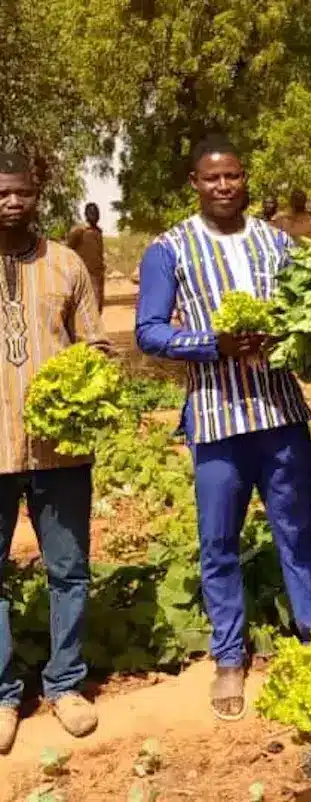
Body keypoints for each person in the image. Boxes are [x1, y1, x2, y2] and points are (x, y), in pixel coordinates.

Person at [135, 136, 311, 721]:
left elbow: (307, 311)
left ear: (246, 179)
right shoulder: (169, 248)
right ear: (195, 184)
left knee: (299, 535)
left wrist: (291, 336)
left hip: (280, 415)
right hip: (217, 420)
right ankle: (229, 655)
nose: (224, 186)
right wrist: (211, 343)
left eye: (233, 176)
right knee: (218, 543)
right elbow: (149, 331)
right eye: (211, 178)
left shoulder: (279, 244)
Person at [0, 152, 106, 753]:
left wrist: (91, 377)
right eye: (2, 194)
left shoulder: (66, 263)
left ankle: (66, 684)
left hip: (59, 452)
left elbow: (94, 343)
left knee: (68, 569)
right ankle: (2, 695)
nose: (13, 203)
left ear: (37, 195)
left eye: (22, 193)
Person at [65, 202, 107, 312]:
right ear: (86, 215)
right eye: (91, 213)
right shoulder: (79, 231)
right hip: (83, 275)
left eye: (96, 213)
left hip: (97, 276)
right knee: (85, 309)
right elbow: (68, 250)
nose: (95, 215)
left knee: (97, 309)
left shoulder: (98, 232)